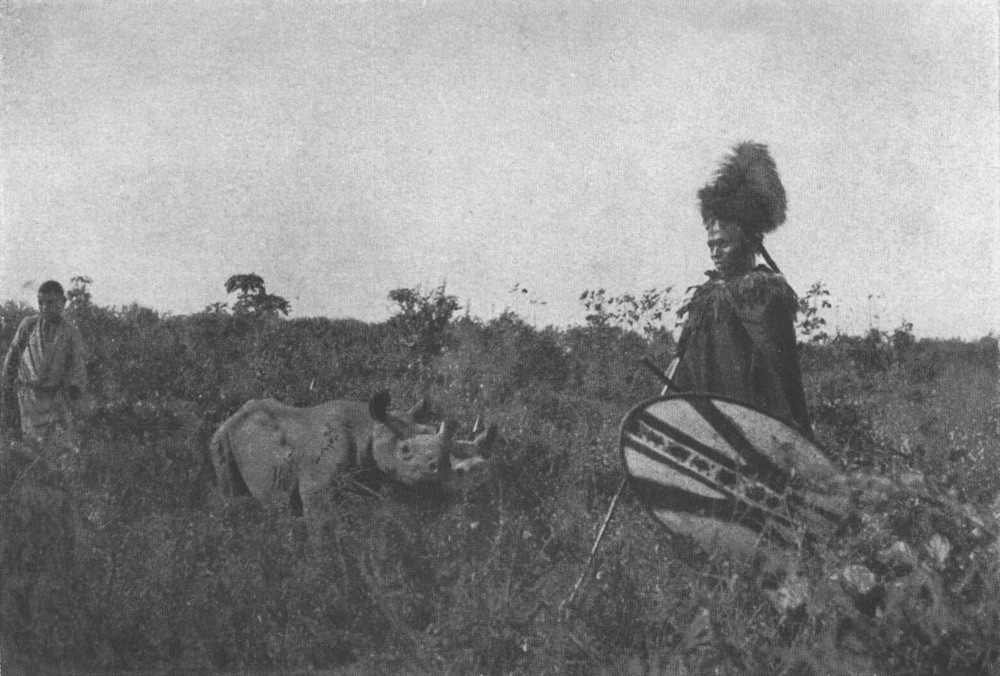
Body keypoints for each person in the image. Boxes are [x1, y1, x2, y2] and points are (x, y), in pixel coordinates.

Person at [669, 142, 812, 435]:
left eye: (724, 244)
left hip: (757, 432)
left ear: (748, 242)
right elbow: (685, 371)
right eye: (711, 245)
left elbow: (783, 382)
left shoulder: (765, 296)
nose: (715, 253)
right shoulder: (705, 300)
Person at [1, 280, 88, 449]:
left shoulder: (70, 331)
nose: (44, 307)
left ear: (62, 303)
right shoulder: (28, 325)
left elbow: (77, 365)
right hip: (28, 399)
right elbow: (12, 358)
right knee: (30, 447)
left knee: (61, 449)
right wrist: (7, 389)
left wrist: (74, 393)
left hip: (55, 399)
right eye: (41, 302)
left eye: (50, 302)